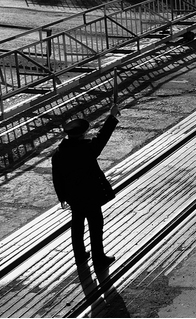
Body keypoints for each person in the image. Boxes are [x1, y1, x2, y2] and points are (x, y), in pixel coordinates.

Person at [52, 104, 120, 269]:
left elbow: (57, 179)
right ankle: (98, 258)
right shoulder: (87, 149)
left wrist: (62, 198)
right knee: (96, 226)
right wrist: (112, 117)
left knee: (77, 225)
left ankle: (80, 255)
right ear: (82, 134)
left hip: (74, 198)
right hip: (91, 196)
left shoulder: (59, 154)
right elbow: (102, 137)